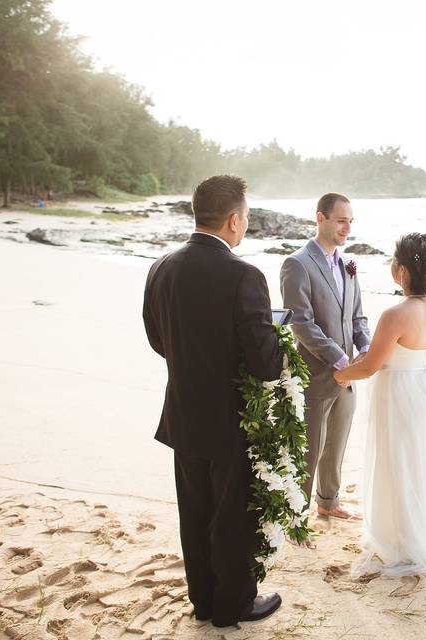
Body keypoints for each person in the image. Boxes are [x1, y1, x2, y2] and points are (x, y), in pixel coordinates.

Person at [142, 175, 283, 627]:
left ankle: (203, 601)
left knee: (195, 514)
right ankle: (235, 605)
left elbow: (157, 338)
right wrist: (283, 344)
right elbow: (265, 362)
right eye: (244, 218)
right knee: (232, 517)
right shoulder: (244, 275)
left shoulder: (162, 266)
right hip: (230, 419)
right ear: (234, 220)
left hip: (183, 414)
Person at [333, 233, 426, 577]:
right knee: (421, 464)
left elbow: (371, 365)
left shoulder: (395, 314)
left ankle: (399, 540)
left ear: (402, 272)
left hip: (399, 395)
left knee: (397, 464)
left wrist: (341, 376)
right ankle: (422, 534)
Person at [280, 193, 371, 522]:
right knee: (309, 450)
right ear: (320, 218)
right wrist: (339, 359)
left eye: (350, 221)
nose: (347, 228)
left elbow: (357, 317)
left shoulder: (348, 266)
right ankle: (297, 517)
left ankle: (328, 502)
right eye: (341, 220)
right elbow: (300, 323)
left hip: (349, 376)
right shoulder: (297, 264)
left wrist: (366, 349)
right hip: (317, 374)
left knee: (336, 443)